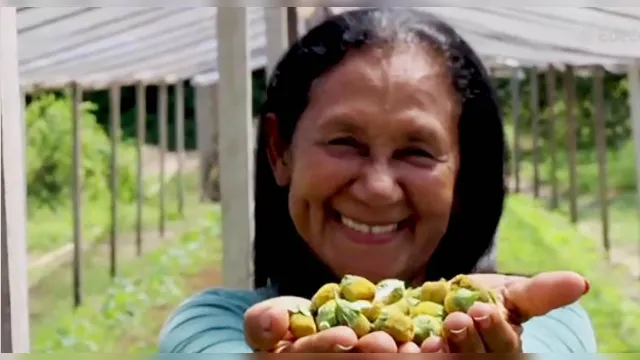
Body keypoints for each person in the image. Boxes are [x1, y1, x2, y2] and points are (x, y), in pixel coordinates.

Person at [158, 8, 596, 353]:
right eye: (345, 142)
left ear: (463, 171)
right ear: (280, 150)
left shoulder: (543, 321)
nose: (378, 187)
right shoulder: (208, 327)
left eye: (417, 151)